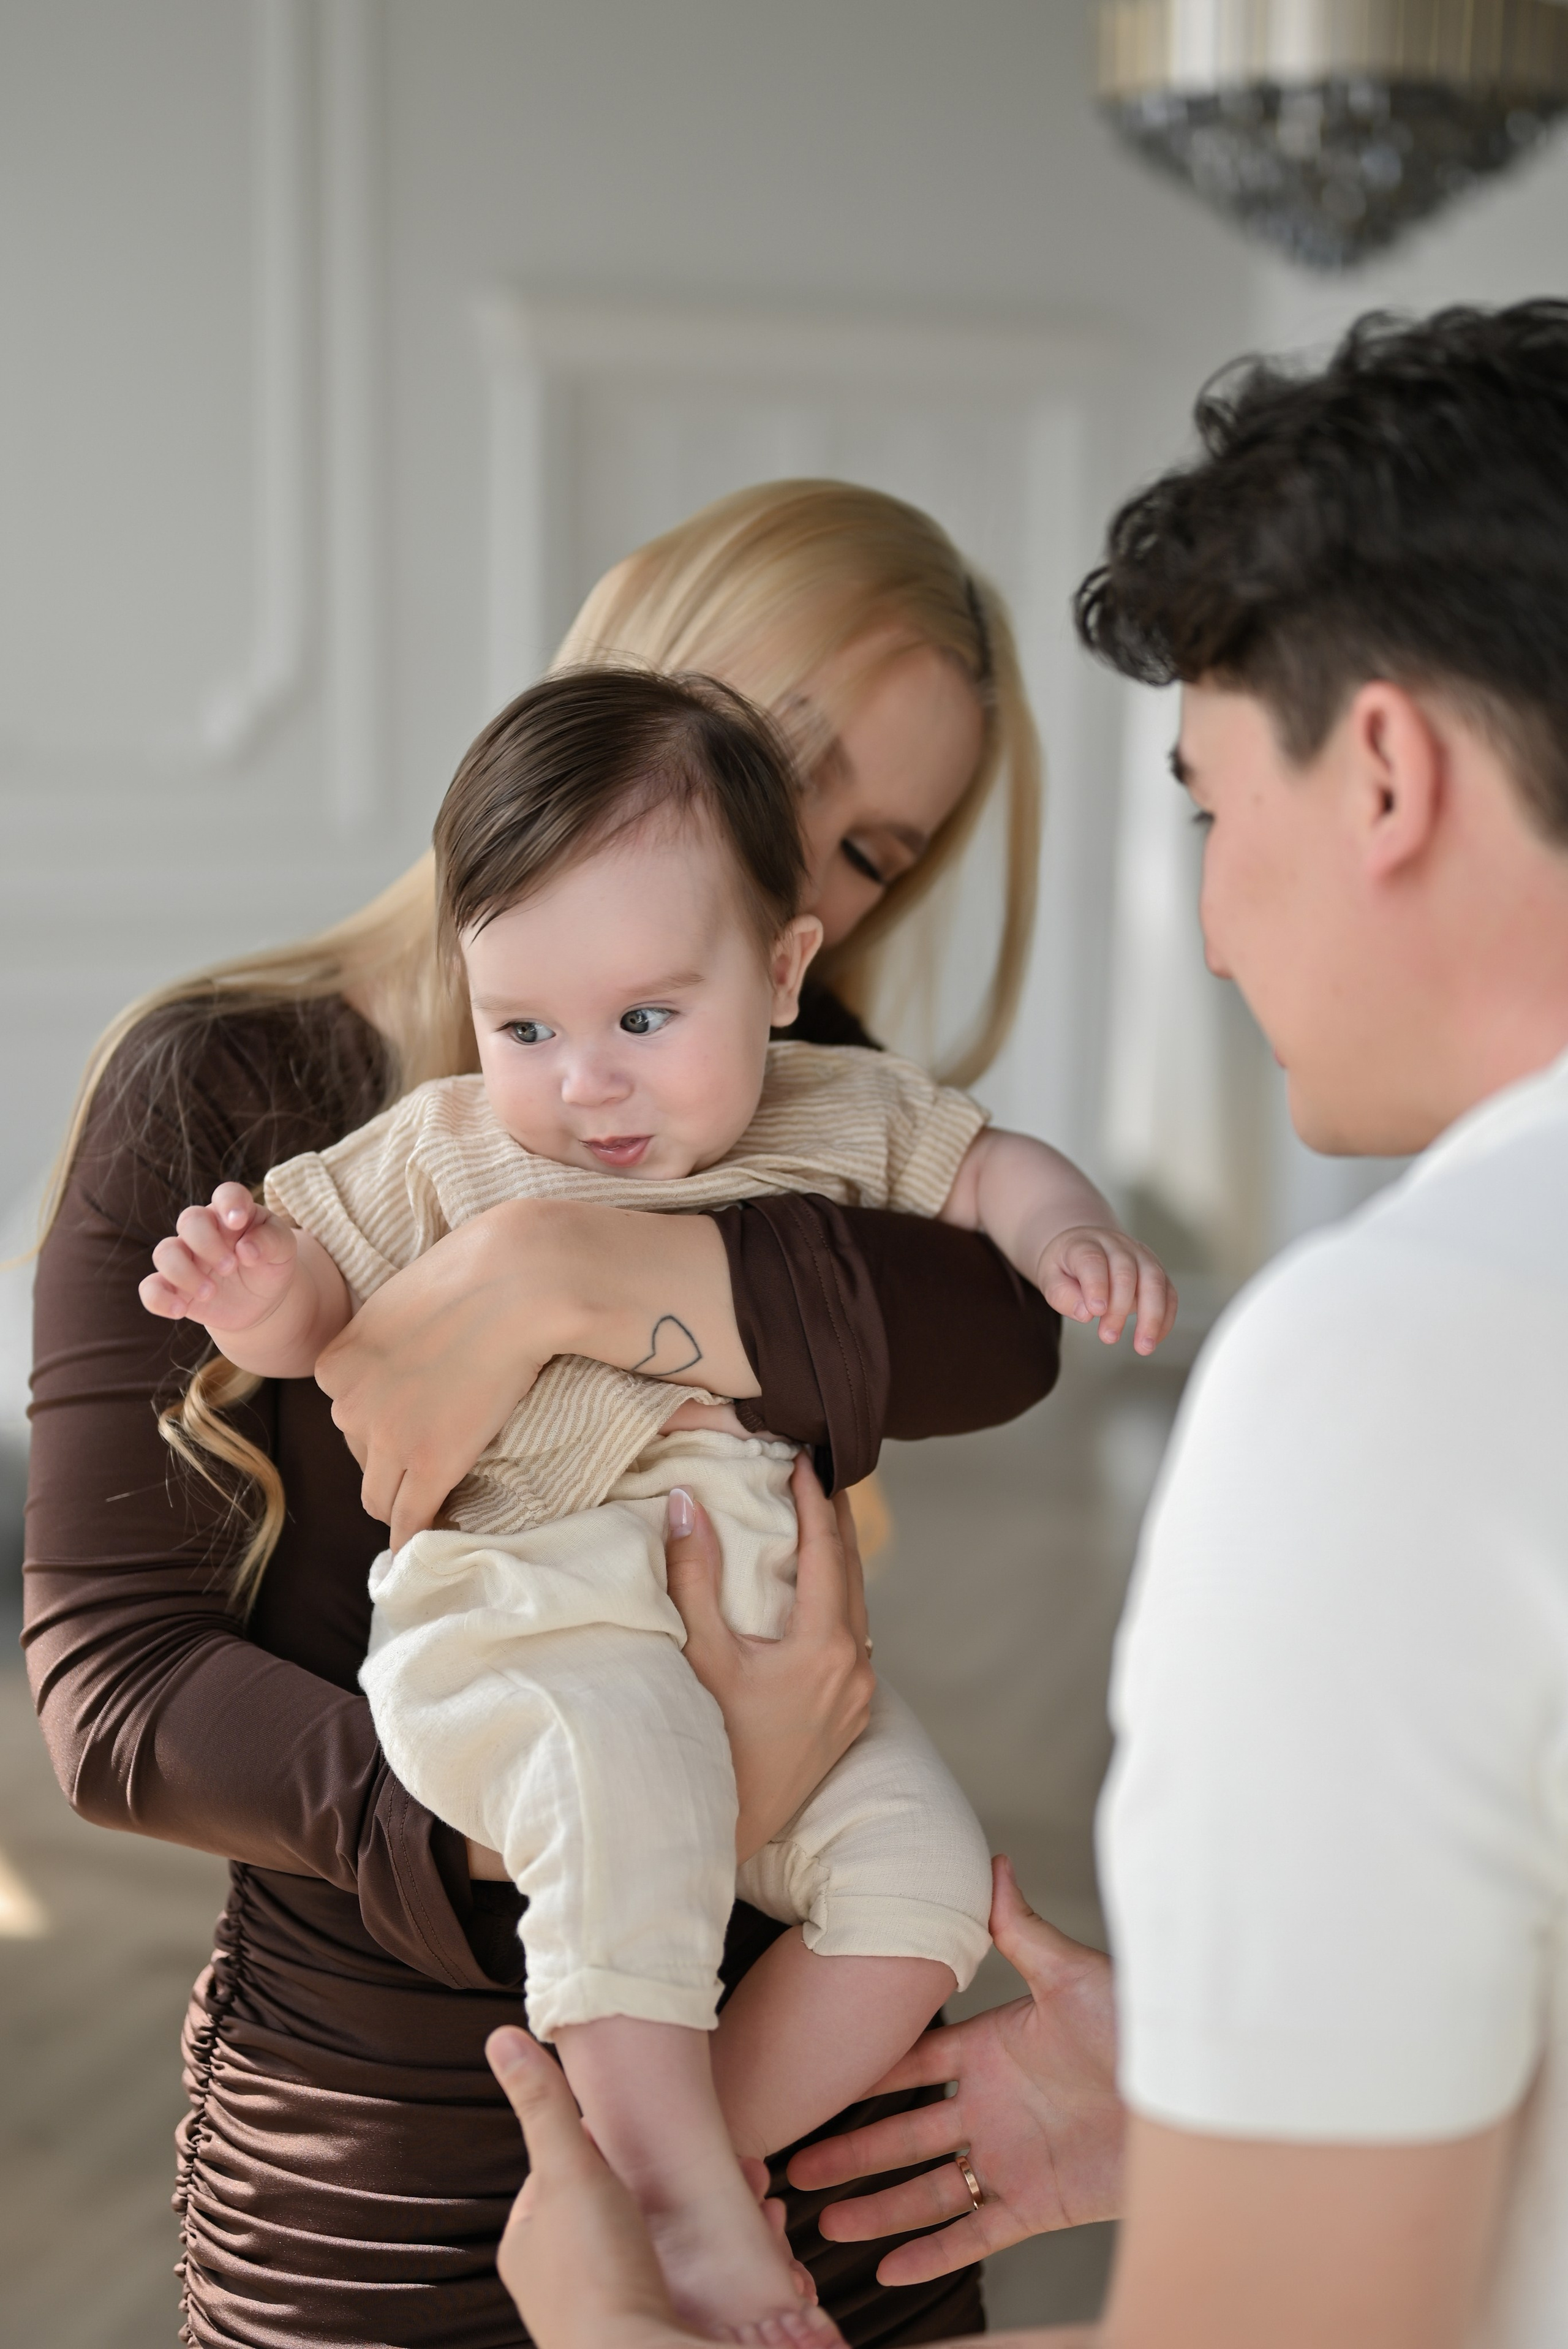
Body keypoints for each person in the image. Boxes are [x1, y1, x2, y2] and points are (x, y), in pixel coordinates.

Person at [484, 301, 1568, 2349]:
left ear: (1393, 773)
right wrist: (1252, 2109)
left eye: (1212, 813)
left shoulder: (1400, 1370)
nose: (1223, 918)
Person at [25, 480, 1069, 2347]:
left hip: (812, 2131)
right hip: (395, 2140)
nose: (803, 873)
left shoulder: (796, 1111)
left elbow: (1013, 1329)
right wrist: (586, 1818)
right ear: (613, 699)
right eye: (772, 763)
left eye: (875, 854)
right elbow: (116, 1695)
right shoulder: (239, 1092)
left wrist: (566, 1276)